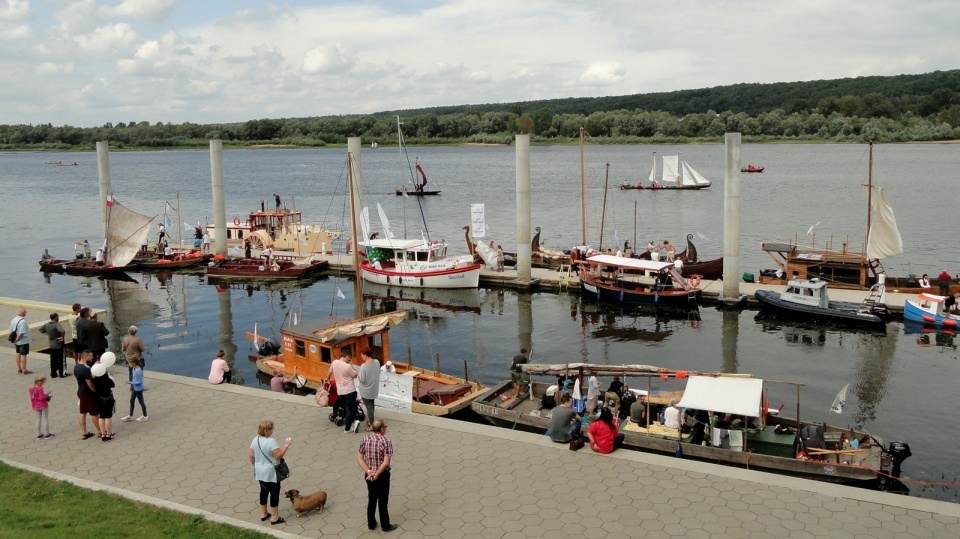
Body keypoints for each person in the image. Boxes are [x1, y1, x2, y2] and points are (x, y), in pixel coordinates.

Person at [249, 420, 292, 526]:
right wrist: (286, 445)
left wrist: (256, 465)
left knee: (263, 491)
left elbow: (250, 455)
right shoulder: (271, 441)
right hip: (271, 472)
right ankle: (274, 517)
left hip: (259, 471)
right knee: (274, 493)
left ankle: (264, 513)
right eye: (272, 428)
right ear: (268, 430)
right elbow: (278, 455)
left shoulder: (255, 440)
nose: (273, 430)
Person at [356, 419, 396, 532]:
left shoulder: (365, 439)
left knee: (372, 498)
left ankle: (371, 523)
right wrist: (377, 473)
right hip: (382, 475)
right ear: (382, 429)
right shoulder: (386, 441)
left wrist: (369, 471)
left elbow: (359, 458)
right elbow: (386, 462)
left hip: (369, 475)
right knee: (382, 501)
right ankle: (385, 525)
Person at [329, 351, 360, 433]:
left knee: (347, 408)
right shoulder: (348, 366)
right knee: (351, 409)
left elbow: (330, 372)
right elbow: (355, 376)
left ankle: (354, 423)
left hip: (340, 391)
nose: (350, 359)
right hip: (350, 390)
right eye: (349, 357)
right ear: (347, 356)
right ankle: (347, 428)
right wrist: (352, 366)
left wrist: (327, 379)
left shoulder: (334, 362)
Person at [75, 351, 101, 440]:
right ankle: (101, 431)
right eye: (91, 356)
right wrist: (95, 391)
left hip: (80, 392)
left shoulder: (77, 366)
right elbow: (89, 383)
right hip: (87, 394)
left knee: (82, 412)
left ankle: (84, 433)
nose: (92, 357)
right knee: (94, 413)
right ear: (85, 357)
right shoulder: (85, 369)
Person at [357, 347, 381, 431]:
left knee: (369, 407)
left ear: (366, 355)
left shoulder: (364, 366)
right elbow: (378, 372)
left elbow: (362, 379)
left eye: (362, 355)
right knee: (372, 405)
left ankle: (371, 425)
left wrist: (358, 375)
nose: (362, 357)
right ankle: (371, 420)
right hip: (374, 389)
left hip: (366, 390)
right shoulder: (377, 362)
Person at [93, 362, 116, 441]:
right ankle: (109, 433)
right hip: (108, 397)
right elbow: (113, 385)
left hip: (99, 398)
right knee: (108, 417)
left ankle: (103, 434)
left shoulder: (94, 379)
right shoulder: (105, 377)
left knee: (101, 416)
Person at [121, 356, 148, 422]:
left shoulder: (138, 371)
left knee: (141, 402)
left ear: (134, 363)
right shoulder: (134, 369)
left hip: (139, 389)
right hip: (135, 388)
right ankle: (130, 415)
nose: (129, 365)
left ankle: (145, 415)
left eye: (130, 363)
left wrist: (131, 382)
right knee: (132, 400)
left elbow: (140, 381)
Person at [39, 313, 65, 378]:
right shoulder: (56, 324)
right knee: (60, 359)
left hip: (51, 344)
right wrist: (62, 337)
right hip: (58, 344)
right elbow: (62, 331)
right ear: (56, 317)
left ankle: (53, 373)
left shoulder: (47, 324)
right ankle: (61, 374)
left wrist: (48, 335)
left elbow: (40, 330)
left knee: (53, 360)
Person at [29, 375, 54, 440]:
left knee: (38, 419)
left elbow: (32, 398)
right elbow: (41, 398)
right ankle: (47, 434)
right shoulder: (40, 388)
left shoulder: (31, 389)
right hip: (43, 405)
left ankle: (39, 434)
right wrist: (47, 394)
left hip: (35, 406)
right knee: (45, 419)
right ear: (41, 383)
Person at [10, 307, 31, 375]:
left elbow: (11, 329)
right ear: (23, 313)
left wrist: (14, 340)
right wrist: (17, 339)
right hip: (23, 341)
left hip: (17, 341)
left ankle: (19, 368)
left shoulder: (14, 319)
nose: (26, 312)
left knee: (18, 353)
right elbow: (21, 333)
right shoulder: (23, 322)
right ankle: (24, 369)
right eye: (25, 311)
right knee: (23, 355)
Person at [65, 303, 81, 367]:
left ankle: (76, 362)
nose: (80, 309)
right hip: (78, 336)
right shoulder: (77, 318)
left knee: (75, 350)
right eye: (80, 308)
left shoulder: (70, 315)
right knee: (80, 351)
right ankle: (80, 362)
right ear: (77, 309)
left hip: (73, 335)